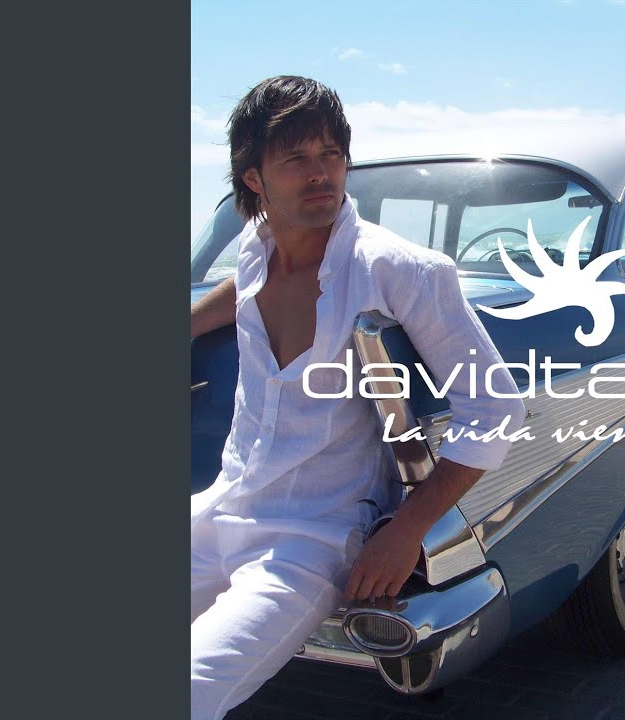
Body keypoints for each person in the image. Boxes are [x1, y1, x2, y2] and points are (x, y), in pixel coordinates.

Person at [188, 76, 525, 719]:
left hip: (310, 540)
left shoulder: (399, 268)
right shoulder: (258, 248)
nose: (321, 173)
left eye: (331, 155)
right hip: (223, 505)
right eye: (296, 158)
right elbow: (244, 290)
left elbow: (496, 410)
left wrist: (408, 530)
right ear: (254, 178)